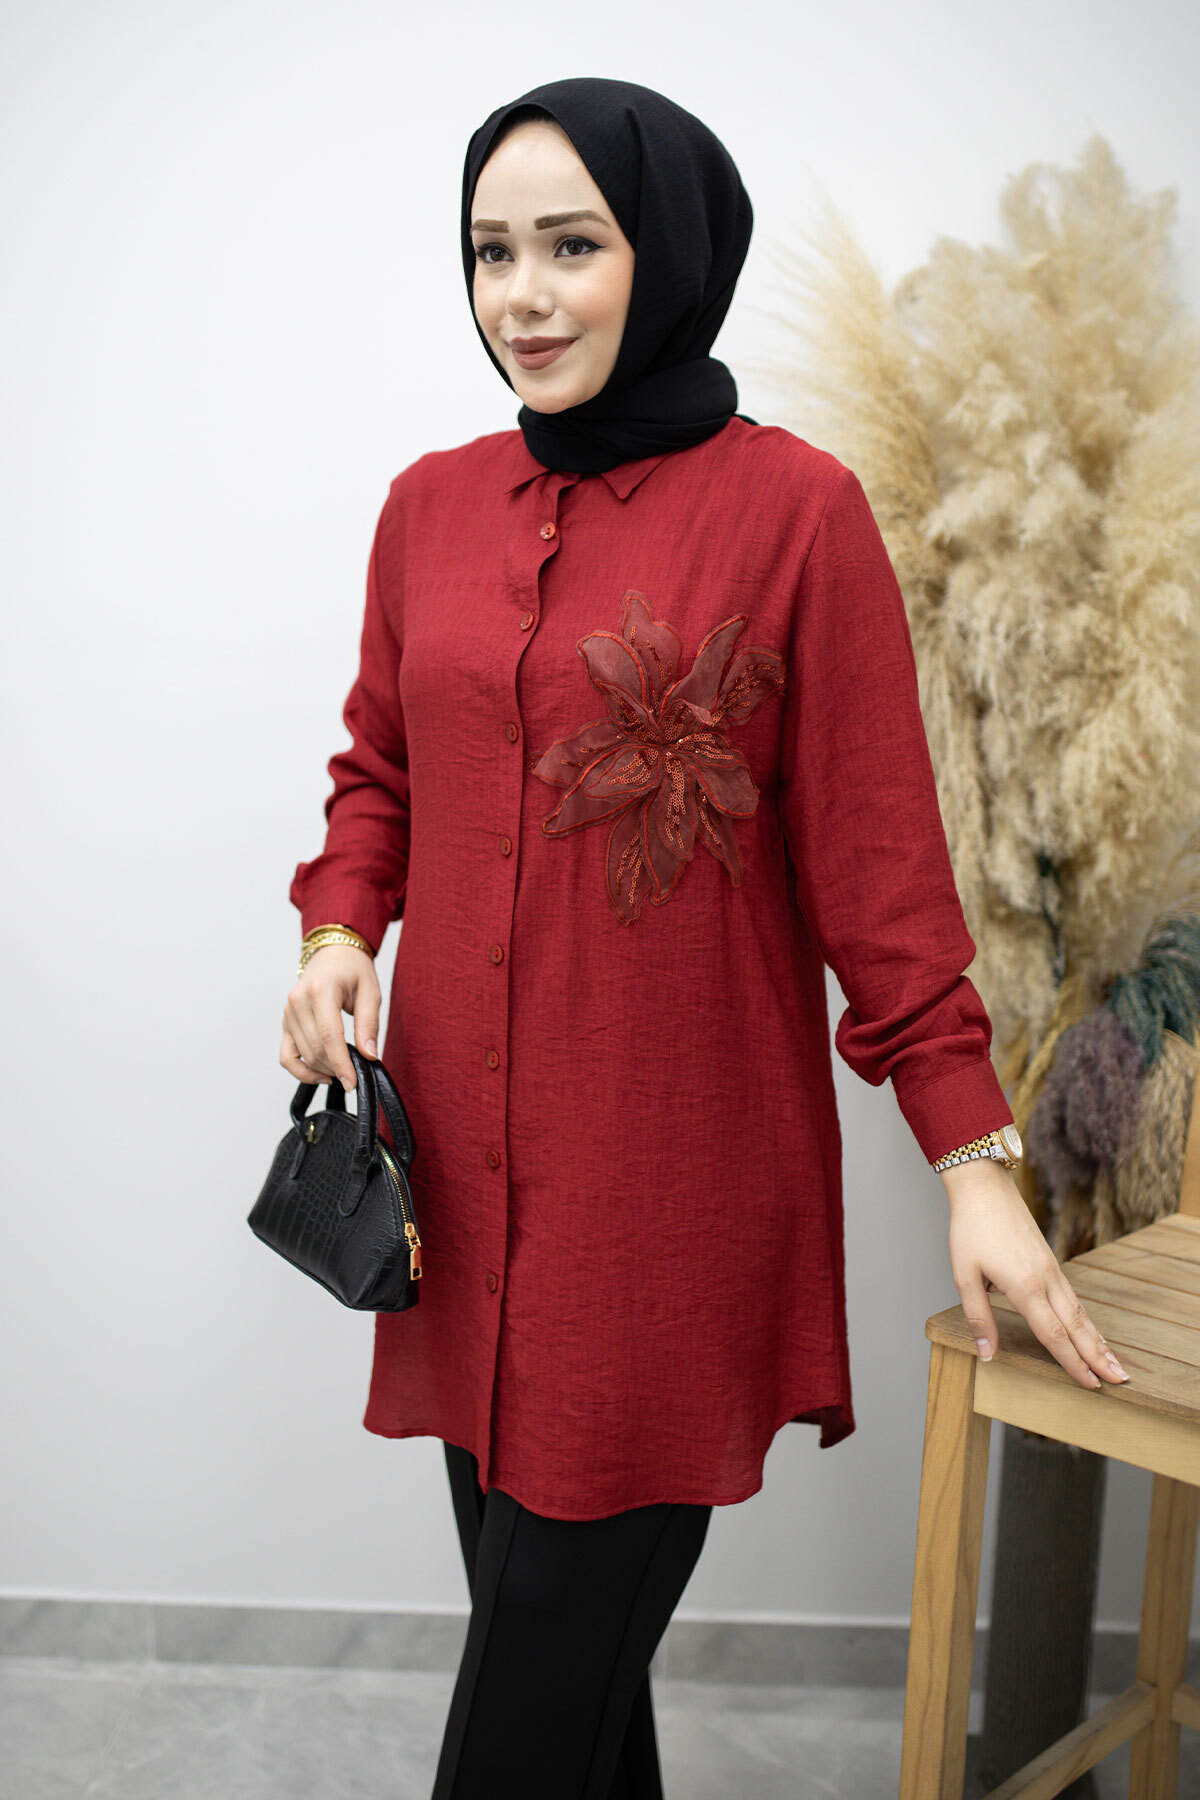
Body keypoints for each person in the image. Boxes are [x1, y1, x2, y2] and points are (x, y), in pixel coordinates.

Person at [279, 75, 1129, 1799]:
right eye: (491, 252)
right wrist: (336, 935)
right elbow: (380, 773)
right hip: (457, 1205)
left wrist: (976, 1162)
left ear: (666, 251)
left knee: (526, 1716)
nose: (522, 296)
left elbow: (883, 881)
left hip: (662, 1210)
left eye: (571, 247)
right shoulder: (427, 508)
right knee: (573, 1707)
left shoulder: (796, 512)